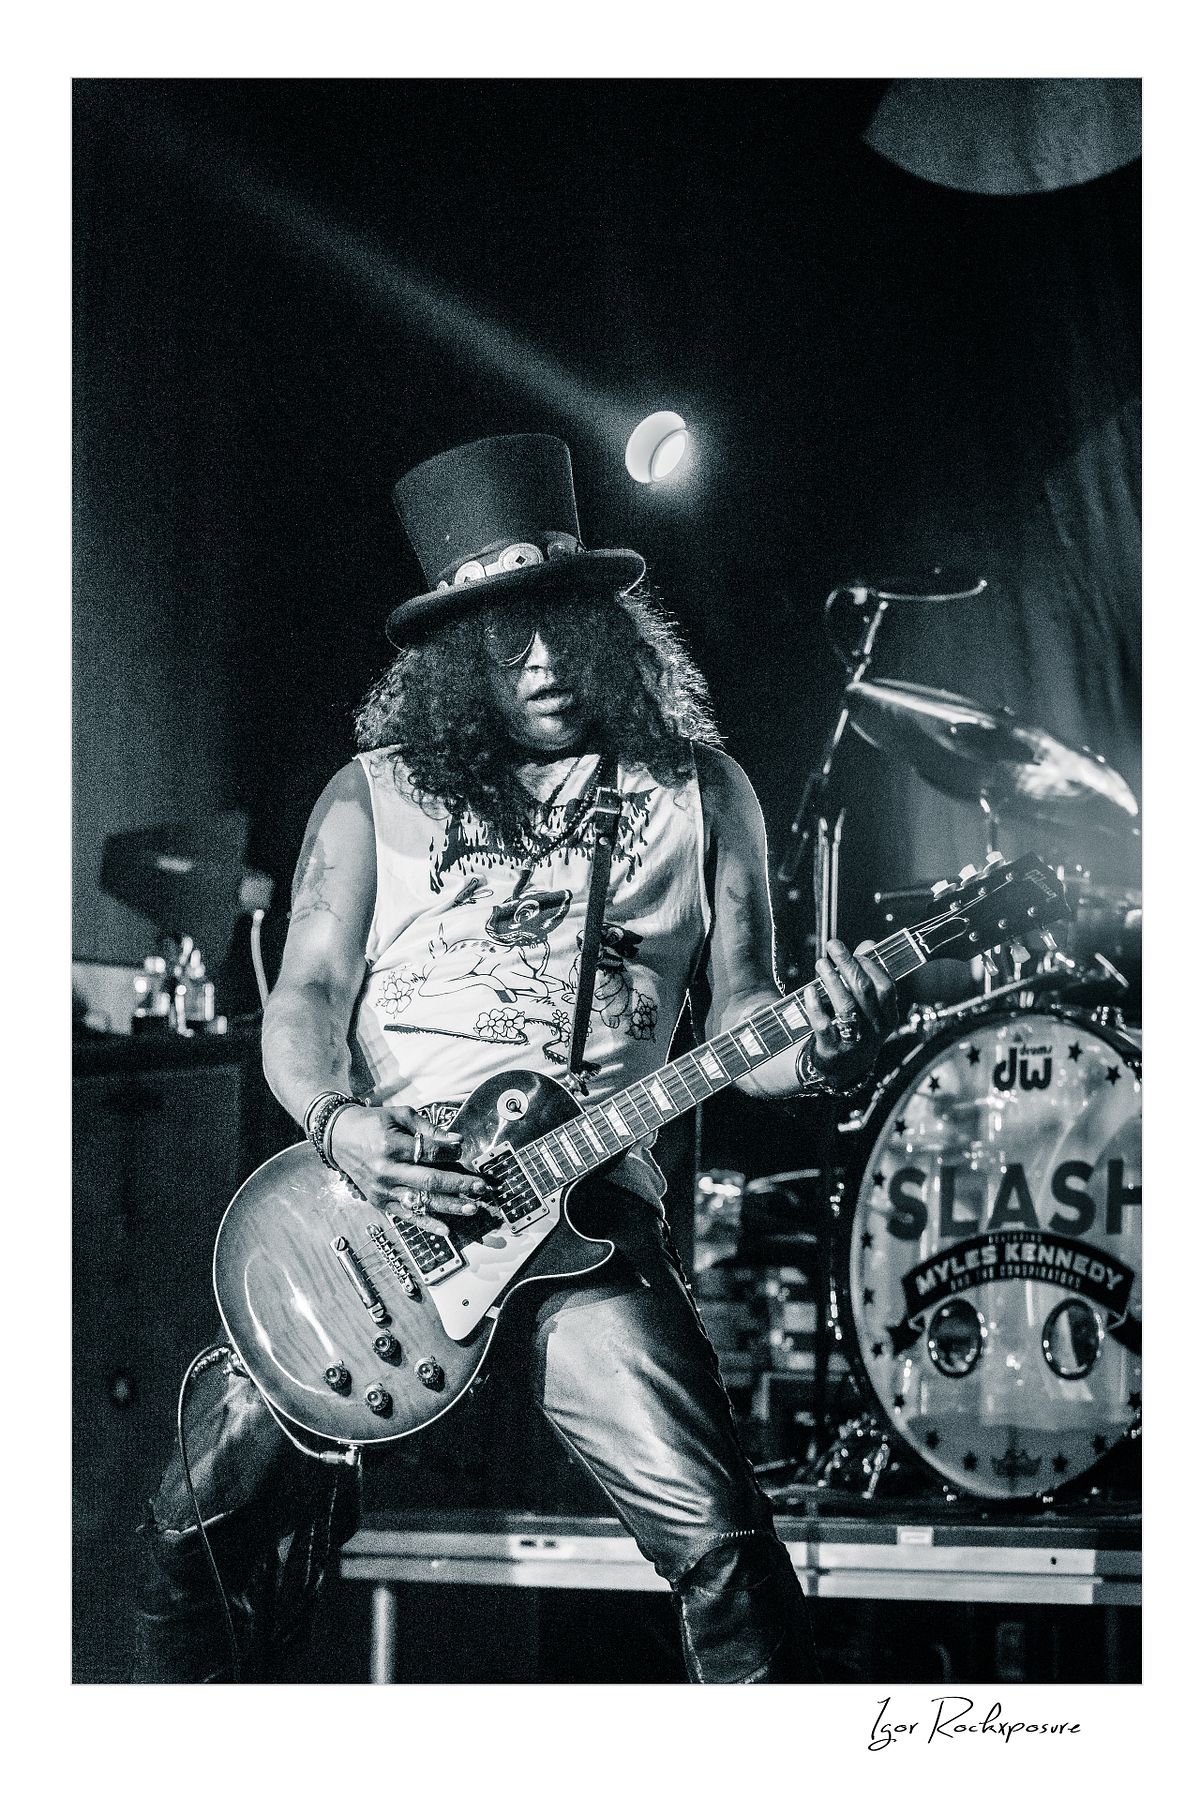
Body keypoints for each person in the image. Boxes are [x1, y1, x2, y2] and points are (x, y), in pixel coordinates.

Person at [135, 433, 897, 1683]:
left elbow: (749, 1022)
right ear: (451, 654)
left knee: (726, 1550)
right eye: (503, 639)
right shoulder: (370, 795)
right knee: (191, 1532)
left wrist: (816, 1050)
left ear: (604, 623)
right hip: (373, 1221)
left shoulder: (702, 794)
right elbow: (306, 996)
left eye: (558, 625)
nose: (540, 662)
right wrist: (340, 1125)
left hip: (586, 1222)